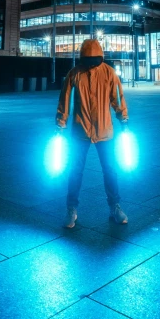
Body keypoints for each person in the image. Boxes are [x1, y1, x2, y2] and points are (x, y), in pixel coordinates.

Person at [56, 38, 129, 229]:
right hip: (80, 131)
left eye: (94, 59)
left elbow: (117, 97)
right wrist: (60, 122)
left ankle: (115, 206)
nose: (91, 64)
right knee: (75, 171)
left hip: (104, 130)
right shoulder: (74, 74)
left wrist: (123, 118)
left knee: (110, 170)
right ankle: (71, 209)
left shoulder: (108, 72)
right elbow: (65, 99)